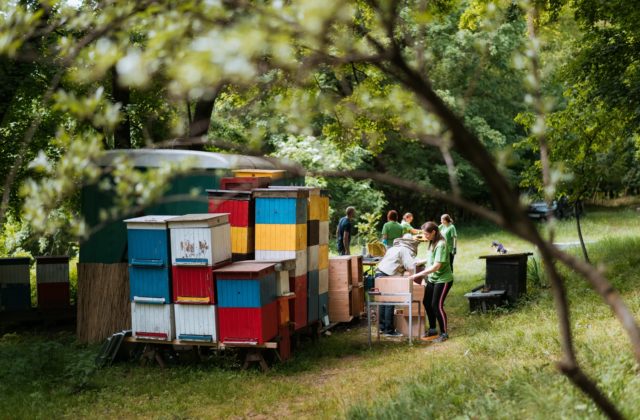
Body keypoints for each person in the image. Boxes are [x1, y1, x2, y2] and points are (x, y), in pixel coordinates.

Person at [409, 221, 453, 343]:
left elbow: (436, 266)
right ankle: (433, 329)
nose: (425, 236)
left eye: (426, 234)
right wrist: (419, 262)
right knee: (426, 302)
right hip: (433, 279)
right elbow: (431, 259)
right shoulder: (432, 242)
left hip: (443, 280)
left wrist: (417, 275)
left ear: (433, 232)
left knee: (436, 305)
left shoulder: (441, 244)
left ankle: (444, 333)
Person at [375, 236, 419, 336]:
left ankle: (382, 328)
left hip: (379, 273)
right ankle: (389, 331)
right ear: (411, 244)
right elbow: (411, 266)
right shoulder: (405, 250)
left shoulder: (393, 248)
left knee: (382, 301)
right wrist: (414, 279)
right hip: (389, 275)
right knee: (390, 302)